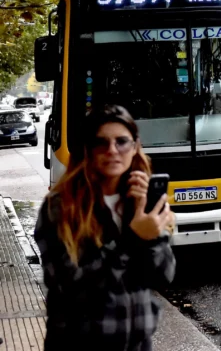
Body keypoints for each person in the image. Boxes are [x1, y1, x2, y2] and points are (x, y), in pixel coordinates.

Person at [34, 105, 176, 351]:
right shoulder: (60, 207)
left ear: (135, 147)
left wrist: (152, 239)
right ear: (87, 149)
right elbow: (73, 287)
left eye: (122, 141)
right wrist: (133, 238)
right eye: (101, 143)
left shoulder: (141, 202)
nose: (112, 151)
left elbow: (163, 275)